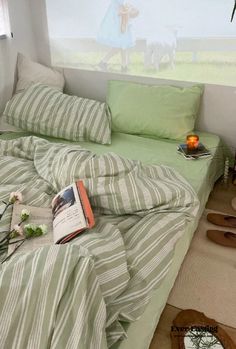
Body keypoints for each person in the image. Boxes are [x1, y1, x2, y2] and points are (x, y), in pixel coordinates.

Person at [97, 0, 139, 72]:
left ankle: (123, 66)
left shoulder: (122, 4)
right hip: (119, 22)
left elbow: (124, 7)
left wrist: (129, 11)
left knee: (123, 45)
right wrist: (127, 11)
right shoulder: (118, 4)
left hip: (122, 22)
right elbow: (119, 11)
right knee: (121, 45)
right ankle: (104, 62)